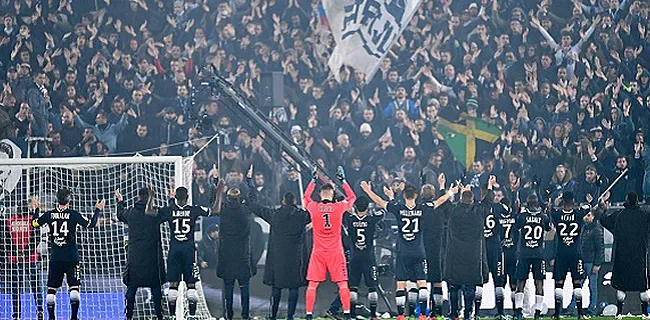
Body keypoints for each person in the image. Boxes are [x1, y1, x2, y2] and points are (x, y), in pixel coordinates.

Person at [360, 175, 456, 320]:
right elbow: (439, 201)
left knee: (401, 284)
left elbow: (379, 201)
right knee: (422, 283)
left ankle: (400, 315)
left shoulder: (398, 208)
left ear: (404, 195)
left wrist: (368, 190)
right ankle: (423, 314)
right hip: (419, 251)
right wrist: (450, 192)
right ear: (416, 196)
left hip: (403, 251)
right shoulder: (422, 208)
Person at [160, 166, 225, 320]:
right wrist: (219, 192)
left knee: (173, 284)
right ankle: (192, 315)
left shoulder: (168, 210)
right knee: (191, 284)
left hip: (174, 249)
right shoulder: (194, 209)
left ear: (175, 197)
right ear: (188, 196)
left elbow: (152, 214)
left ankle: (172, 315)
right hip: (189, 249)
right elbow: (215, 210)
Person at [32, 188, 104, 320]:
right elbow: (92, 224)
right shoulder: (73, 214)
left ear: (56, 200)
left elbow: (34, 223)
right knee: (74, 287)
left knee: (51, 289)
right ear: (69, 201)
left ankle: (52, 317)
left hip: (55, 257)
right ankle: (74, 317)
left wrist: (36, 209)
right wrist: (98, 209)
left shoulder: (49, 214)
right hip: (72, 257)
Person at [303, 166, 356, 320]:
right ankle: (346, 314)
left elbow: (305, 198)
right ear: (332, 195)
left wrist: (312, 181)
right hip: (335, 252)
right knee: (342, 285)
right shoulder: (339, 207)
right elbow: (352, 198)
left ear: (320, 194)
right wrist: (344, 182)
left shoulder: (314, 207)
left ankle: (308, 315)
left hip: (318, 252)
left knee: (312, 285)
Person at [249, 190, 311, 320]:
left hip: (278, 259)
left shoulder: (275, 215)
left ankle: (272, 316)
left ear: (283, 201)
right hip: (295, 259)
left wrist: (249, 191)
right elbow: (315, 212)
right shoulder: (302, 216)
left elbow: (257, 208)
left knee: (276, 288)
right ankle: (290, 316)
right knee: (294, 288)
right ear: (295, 202)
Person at [443, 180, 492, 320]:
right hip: (473, 255)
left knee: (454, 286)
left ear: (460, 200)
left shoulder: (454, 211)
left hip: (455, 254)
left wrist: (445, 188)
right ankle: (468, 314)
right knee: (470, 287)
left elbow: (444, 204)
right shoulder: (478, 210)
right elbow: (488, 203)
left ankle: (453, 313)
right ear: (473, 200)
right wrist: (489, 186)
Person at [116, 187, 166, 320]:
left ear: (138, 197)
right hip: (152, 255)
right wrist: (172, 198)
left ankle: (129, 315)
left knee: (132, 286)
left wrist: (120, 201)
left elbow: (120, 214)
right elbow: (169, 213)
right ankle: (160, 315)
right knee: (155, 286)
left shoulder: (131, 212)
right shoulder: (155, 212)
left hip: (135, 255)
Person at [600, 191, 650, 317]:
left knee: (621, 286)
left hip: (622, 256)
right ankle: (645, 313)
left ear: (626, 200)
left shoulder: (619, 215)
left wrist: (604, 210)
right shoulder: (644, 215)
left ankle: (619, 313)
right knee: (643, 286)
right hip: (640, 256)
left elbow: (604, 221)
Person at [217, 165, 257, 320]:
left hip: (227, 257)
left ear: (228, 198)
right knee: (244, 289)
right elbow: (253, 199)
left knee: (228, 290)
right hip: (242, 257)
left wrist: (215, 183)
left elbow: (212, 201)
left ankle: (229, 316)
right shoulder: (245, 210)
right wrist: (249, 180)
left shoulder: (223, 210)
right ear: (240, 198)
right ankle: (246, 316)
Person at [549, 192, 591, 319]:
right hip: (575, 252)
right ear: (573, 201)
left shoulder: (557, 215)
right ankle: (580, 314)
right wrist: (590, 199)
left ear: (562, 201)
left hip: (561, 252)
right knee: (577, 282)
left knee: (559, 283)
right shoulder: (578, 214)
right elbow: (589, 206)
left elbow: (549, 208)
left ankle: (556, 314)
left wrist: (552, 203)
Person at [1, 199, 44, 320]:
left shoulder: (13, 221)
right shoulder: (11, 221)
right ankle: (28, 312)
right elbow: (6, 239)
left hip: (22, 259)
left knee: (23, 287)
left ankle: (24, 313)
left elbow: (36, 237)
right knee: (24, 287)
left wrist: (19, 253)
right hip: (26, 259)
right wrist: (23, 254)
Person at [343, 196, 384, 320]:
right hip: (369, 257)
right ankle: (373, 315)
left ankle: (353, 315)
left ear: (355, 207)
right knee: (372, 287)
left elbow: (342, 208)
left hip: (354, 257)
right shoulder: (371, 219)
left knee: (353, 287)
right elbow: (383, 210)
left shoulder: (349, 219)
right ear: (367, 207)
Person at [513, 194, 552, 320]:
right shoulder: (543, 217)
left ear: (527, 204)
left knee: (521, 282)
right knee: (539, 283)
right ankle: (538, 313)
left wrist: (517, 210)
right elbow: (549, 229)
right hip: (539, 254)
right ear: (537, 204)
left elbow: (516, 227)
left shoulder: (522, 217)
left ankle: (518, 311)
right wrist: (548, 212)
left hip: (524, 253)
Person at [476, 177, 507, 319]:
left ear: (481, 194)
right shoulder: (500, 207)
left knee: (479, 280)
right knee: (498, 280)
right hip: (496, 247)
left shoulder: (477, 207)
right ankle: (500, 313)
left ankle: (475, 313)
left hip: (481, 248)